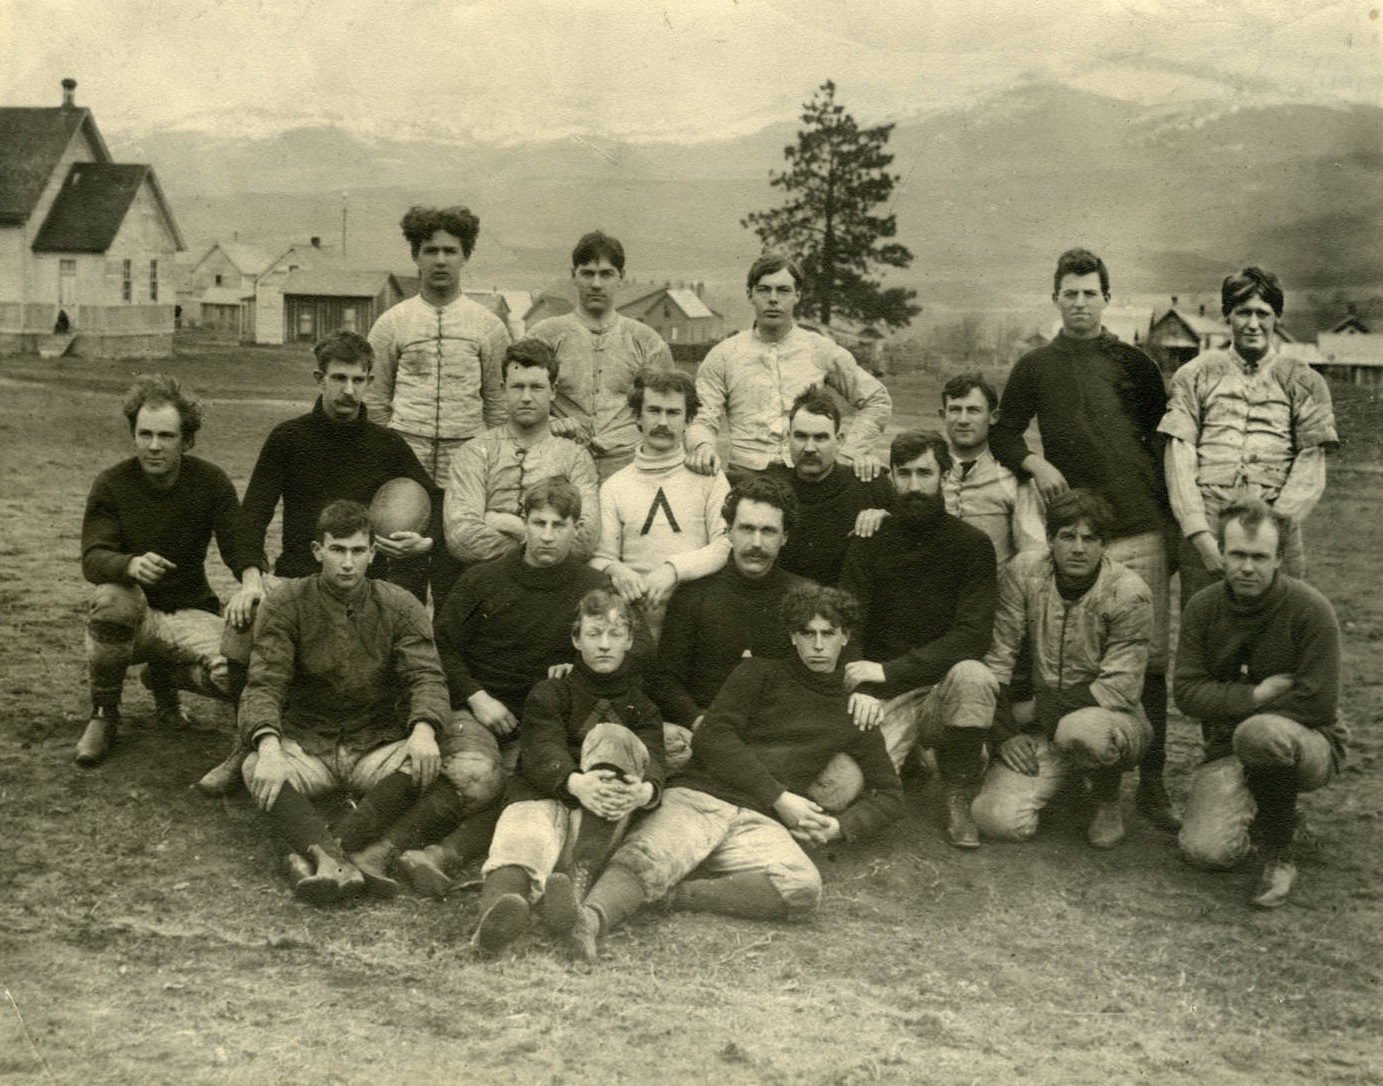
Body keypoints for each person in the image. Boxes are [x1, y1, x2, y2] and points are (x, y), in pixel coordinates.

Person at [567, 583, 903, 961]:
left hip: (759, 821)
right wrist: (780, 796)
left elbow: (890, 793)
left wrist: (840, 827)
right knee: (646, 857)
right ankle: (590, 921)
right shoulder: (758, 673)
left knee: (803, 887)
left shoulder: (853, 710)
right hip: (702, 797)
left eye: (829, 634)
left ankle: (676, 896)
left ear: (846, 637)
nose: (819, 645)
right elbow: (712, 735)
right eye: (808, 633)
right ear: (793, 636)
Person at [195, 332, 438, 795]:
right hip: (297, 578)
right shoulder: (289, 439)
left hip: (364, 583)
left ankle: (362, 745)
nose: (349, 390)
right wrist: (251, 578)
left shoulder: (386, 445)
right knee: (243, 624)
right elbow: (253, 515)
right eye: (338, 378)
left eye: (359, 380)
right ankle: (245, 746)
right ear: (318, 379)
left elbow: (435, 500)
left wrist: (420, 540)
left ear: (370, 382)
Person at [988, 247, 1178, 833]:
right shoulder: (1035, 366)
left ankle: (1152, 783)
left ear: (1106, 298)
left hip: (1140, 527)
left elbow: (1165, 442)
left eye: (1089, 293)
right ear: (1055, 298)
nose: (1079, 303)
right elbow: (1003, 434)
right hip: (1074, 534)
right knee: (1071, 654)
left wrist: (1169, 525)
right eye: (1069, 294)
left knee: (1144, 662)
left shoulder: (1136, 364)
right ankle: (1086, 777)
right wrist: (1035, 466)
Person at [402, 478, 651, 894]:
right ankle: (388, 846)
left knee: (534, 785)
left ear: (576, 528)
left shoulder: (592, 587)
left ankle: (437, 856)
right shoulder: (483, 579)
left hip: (545, 720)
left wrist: (581, 664)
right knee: (477, 776)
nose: (548, 536)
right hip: (478, 710)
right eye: (539, 523)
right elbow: (439, 645)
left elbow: (640, 645)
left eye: (559, 524)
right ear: (523, 523)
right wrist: (478, 698)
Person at [237, 501, 481, 905]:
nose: (347, 563)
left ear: (372, 553)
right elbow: (265, 681)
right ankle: (341, 859)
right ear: (318, 550)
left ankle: (324, 853)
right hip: (308, 740)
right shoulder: (288, 601)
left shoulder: (401, 604)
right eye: (337, 550)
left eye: (357, 551)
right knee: (256, 768)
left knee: (440, 776)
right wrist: (267, 746)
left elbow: (425, 675)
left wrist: (423, 730)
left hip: (374, 741)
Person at [76, 375, 262, 768]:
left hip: (189, 611)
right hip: (135, 618)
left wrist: (251, 582)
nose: (154, 446)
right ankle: (104, 713)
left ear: (187, 440)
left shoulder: (210, 481)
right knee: (110, 599)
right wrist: (129, 564)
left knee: (236, 672)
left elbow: (237, 540)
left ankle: (165, 677)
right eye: (145, 434)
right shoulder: (112, 484)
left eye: (166, 435)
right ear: (133, 435)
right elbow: (93, 556)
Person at [471, 590, 667, 955]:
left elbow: (654, 755)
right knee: (522, 838)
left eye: (614, 634)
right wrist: (575, 782)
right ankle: (493, 921)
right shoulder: (551, 691)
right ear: (577, 640)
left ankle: (571, 898)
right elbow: (541, 746)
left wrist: (646, 790)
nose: (604, 645)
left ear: (629, 640)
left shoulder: (642, 706)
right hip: (546, 794)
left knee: (614, 740)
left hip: (596, 821)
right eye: (594, 634)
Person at [1174, 499, 1346, 908]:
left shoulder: (1311, 610)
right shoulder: (1203, 607)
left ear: (1279, 559)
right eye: (1236, 554)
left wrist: (1234, 710)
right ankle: (1270, 810)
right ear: (1220, 551)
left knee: (1260, 733)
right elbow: (1185, 692)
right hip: (1227, 747)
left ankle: (1279, 853)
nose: (1246, 568)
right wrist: (1255, 695)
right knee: (1206, 852)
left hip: (1310, 744)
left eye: (1259, 557)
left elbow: (1319, 704)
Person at [838, 430, 998, 849]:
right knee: (841, 789)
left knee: (974, 676)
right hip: (884, 693)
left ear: (944, 475)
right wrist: (865, 687)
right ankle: (912, 759)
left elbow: (972, 634)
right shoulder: (870, 539)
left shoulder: (972, 545)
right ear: (890, 476)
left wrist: (891, 669)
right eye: (903, 474)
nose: (913, 486)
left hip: (939, 690)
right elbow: (848, 620)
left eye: (924, 473)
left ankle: (957, 791)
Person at [969, 490, 1154, 849]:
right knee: (996, 820)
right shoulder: (1025, 571)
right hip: (1043, 726)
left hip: (1110, 720)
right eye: (1067, 536)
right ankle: (1066, 779)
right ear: (1050, 538)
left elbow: (1119, 688)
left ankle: (1106, 797)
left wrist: (1035, 709)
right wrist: (1007, 733)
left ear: (1105, 544)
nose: (1078, 548)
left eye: (1090, 538)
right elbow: (1000, 655)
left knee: (1081, 730)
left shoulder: (1129, 592)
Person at [1159, 267, 1339, 604]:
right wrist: (1200, 536)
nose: (1253, 324)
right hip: (1209, 527)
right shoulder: (1195, 374)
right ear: (1228, 315)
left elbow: (1310, 465)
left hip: (1278, 527)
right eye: (1243, 312)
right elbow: (1179, 456)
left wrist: (1273, 532)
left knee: (1275, 642)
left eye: (1263, 313)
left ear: (1277, 317)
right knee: (1208, 636)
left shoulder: (1303, 379)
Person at [366, 205, 511, 606]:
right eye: (430, 250)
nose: (441, 260)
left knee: (456, 586)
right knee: (399, 589)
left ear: (465, 256)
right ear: (416, 255)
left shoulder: (488, 326)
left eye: (451, 250)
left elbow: (498, 407)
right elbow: (377, 403)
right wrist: (389, 463)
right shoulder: (392, 323)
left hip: (464, 475)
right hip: (404, 471)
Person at [686, 255, 892, 482]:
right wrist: (702, 446)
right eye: (764, 290)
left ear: (797, 295)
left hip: (807, 479)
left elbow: (877, 399)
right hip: (745, 478)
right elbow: (701, 417)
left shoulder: (820, 349)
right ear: (750, 295)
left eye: (783, 290)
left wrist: (848, 454)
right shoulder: (723, 355)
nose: (773, 299)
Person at [653, 476, 809, 731]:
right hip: (705, 729)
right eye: (747, 529)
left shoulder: (806, 598)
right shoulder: (693, 596)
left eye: (768, 531)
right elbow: (666, 682)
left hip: (781, 734)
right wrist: (699, 722)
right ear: (728, 531)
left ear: (785, 537)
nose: (756, 543)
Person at [590, 369, 730, 640]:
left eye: (673, 413)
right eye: (653, 410)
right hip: (633, 622)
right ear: (637, 417)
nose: (663, 422)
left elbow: (725, 546)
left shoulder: (709, 478)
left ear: (688, 419)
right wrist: (615, 569)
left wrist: (673, 570)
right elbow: (600, 556)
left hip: (696, 618)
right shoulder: (615, 486)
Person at [526, 231, 675, 480]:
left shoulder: (647, 341)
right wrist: (548, 421)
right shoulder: (544, 336)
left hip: (629, 469)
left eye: (606, 274)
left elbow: (672, 406)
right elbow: (514, 396)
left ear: (621, 277)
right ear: (574, 275)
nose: (596, 284)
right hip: (560, 466)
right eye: (587, 273)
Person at [443, 338, 600, 566]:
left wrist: (510, 525)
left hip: (555, 584)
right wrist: (544, 543)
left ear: (553, 391)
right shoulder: (475, 452)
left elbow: (584, 540)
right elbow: (462, 537)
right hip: (490, 581)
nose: (526, 397)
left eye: (536, 387)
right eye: (517, 387)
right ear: (503, 390)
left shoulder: (575, 457)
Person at [767, 385, 893, 586]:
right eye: (801, 436)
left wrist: (888, 522)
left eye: (821, 437)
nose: (809, 448)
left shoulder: (870, 485)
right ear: (787, 438)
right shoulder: (771, 488)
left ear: (840, 440)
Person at [938, 372, 1045, 566]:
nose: (963, 419)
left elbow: (1034, 552)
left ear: (993, 417)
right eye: (955, 409)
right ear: (942, 415)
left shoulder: (1013, 478)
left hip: (994, 591)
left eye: (973, 410)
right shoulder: (925, 471)